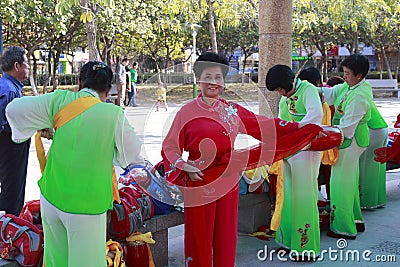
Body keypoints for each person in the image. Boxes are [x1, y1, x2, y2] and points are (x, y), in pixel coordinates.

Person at [161, 52, 340, 266]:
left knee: (226, 237)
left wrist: (307, 129)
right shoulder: (186, 112)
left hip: (228, 179)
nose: (213, 82)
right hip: (200, 182)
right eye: (208, 77)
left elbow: (268, 127)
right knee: (199, 238)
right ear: (198, 79)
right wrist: (184, 165)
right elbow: (170, 146)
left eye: (218, 77)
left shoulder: (231, 110)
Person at [6, 61, 144, 266]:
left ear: (80, 83)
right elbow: (132, 155)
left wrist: (47, 123)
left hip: (51, 198)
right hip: (86, 206)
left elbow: (14, 109)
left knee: (56, 261)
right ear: (108, 89)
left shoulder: (60, 100)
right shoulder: (113, 115)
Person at [266, 64, 323, 260]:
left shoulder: (308, 90)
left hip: (307, 151)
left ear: (290, 81)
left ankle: (306, 248)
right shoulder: (285, 99)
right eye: (277, 90)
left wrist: (294, 130)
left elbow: (316, 117)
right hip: (290, 152)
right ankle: (288, 241)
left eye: (281, 88)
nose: (280, 93)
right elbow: (282, 123)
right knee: (289, 196)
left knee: (304, 197)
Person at [320, 54, 373, 239]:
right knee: (349, 182)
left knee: (340, 184)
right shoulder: (352, 86)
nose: (345, 77)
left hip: (350, 140)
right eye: (344, 73)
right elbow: (333, 92)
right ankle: (356, 221)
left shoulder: (360, 94)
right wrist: (313, 91)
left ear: (359, 75)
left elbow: (347, 126)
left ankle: (343, 228)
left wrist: (324, 133)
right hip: (349, 139)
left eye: (348, 73)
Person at [0, 46, 31, 216]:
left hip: (10, 146)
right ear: (17, 66)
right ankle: (9, 232)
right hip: (11, 147)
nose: (29, 69)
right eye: (26, 65)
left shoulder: (7, 86)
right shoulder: (9, 91)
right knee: (12, 193)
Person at [359, 103, 388, 209]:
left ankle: (367, 202)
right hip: (381, 128)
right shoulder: (359, 91)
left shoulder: (347, 94)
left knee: (365, 167)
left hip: (372, 130)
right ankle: (378, 200)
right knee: (377, 167)